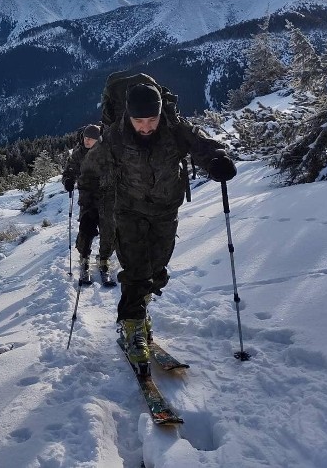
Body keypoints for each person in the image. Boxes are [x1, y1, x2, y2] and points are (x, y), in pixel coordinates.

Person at [88, 79, 236, 375]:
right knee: (137, 270)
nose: (146, 126)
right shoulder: (114, 136)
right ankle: (132, 326)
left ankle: (140, 311)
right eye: (139, 120)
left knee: (157, 271)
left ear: (160, 114)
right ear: (128, 116)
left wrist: (218, 160)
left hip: (166, 209)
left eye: (152, 119)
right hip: (127, 210)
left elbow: (203, 145)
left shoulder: (174, 128)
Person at [62, 124, 115, 285]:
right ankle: (84, 258)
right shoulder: (79, 154)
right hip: (87, 197)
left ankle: (104, 259)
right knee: (86, 229)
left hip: (107, 197)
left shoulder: (106, 153)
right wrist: (68, 181)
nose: (87, 141)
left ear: (98, 139)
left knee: (108, 230)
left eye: (90, 139)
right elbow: (69, 170)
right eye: (85, 138)